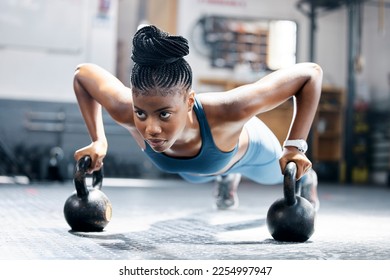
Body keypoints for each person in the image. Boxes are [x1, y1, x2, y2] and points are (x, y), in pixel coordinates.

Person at [74, 25, 322, 210]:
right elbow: (82, 74)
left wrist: (294, 146)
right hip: (201, 168)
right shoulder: (124, 110)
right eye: (141, 113)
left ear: (189, 102)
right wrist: (98, 140)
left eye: (164, 114)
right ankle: (225, 176)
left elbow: (310, 74)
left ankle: (307, 176)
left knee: (274, 177)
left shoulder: (231, 109)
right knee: (198, 174)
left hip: (251, 150)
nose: (150, 129)